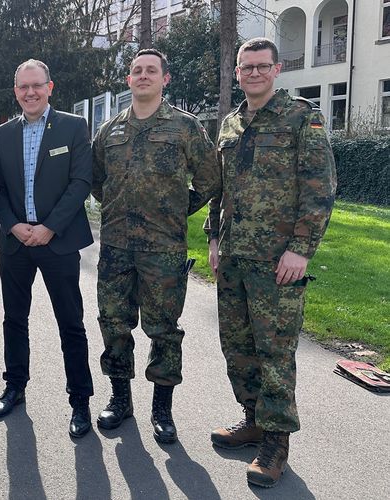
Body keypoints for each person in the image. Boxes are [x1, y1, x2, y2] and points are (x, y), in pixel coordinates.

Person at [205, 37, 336, 487]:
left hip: (278, 260)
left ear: (277, 70)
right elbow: (219, 190)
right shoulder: (230, 124)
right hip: (235, 257)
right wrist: (213, 240)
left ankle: (276, 442)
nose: (254, 73)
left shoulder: (302, 118)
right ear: (237, 72)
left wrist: (301, 248)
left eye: (262, 66)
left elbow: (319, 187)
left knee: (275, 351)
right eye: (247, 67)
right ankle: (253, 419)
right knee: (237, 347)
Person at [90, 49, 219, 443]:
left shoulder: (185, 127)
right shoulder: (109, 130)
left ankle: (162, 409)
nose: (143, 76)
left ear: (165, 78)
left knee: (163, 330)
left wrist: (178, 210)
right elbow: (96, 182)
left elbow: (210, 179)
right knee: (114, 324)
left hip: (164, 249)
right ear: (128, 80)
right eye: (136, 71)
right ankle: (120, 400)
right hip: (115, 247)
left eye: (151, 70)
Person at [0, 59, 95, 438]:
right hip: (16, 243)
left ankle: (80, 399)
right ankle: (15, 387)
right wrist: (13, 225)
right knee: (14, 320)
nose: (30, 93)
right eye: (23, 87)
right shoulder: (2, 134)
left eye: (37, 85)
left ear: (50, 87)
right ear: (15, 90)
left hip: (59, 242)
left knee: (71, 323)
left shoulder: (73, 126)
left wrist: (50, 228)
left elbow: (81, 181)